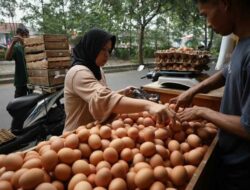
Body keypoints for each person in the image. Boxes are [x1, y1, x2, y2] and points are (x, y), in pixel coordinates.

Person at [170, 0, 250, 189]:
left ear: (225, 4)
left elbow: (248, 127)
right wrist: (193, 90)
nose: (207, 23)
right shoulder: (243, 42)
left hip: (243, 171)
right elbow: (227, 72)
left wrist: (202, 112)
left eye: (205, 14)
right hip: (230, 157)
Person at [64, 28, 174, 131]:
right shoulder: (78, 72)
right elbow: (103, 98)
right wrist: (149, 105)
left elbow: (98, 98)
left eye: (109, 50)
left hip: (95, 130)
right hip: (76, 135)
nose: (107, 55)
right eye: (102, 49)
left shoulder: (98, 70)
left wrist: (122, 93)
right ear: (91, 47)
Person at [5, 24, 29, 98]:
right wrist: (12, 43)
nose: (23, 37)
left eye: (25, 35)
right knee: (18, 105)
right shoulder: (16, 48)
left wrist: (24, 43)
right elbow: (7, 58)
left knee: (33, 104)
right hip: (20, 83)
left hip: (33, 82)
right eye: (21, 35)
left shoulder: (31, 46)